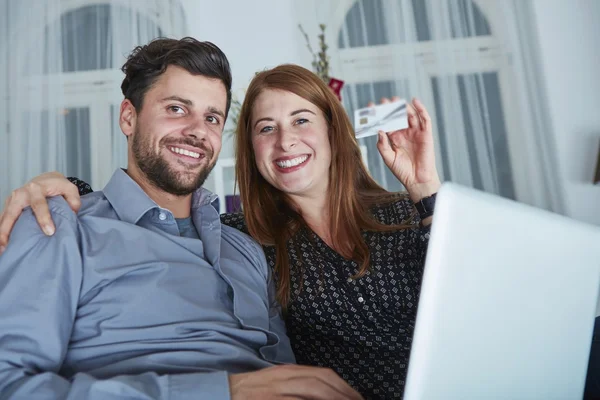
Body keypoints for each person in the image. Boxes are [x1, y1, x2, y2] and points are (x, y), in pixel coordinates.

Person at [0, 64, 440, 399]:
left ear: (333, 130)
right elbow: (142, 213)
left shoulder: (238, 245)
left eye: (302, 120)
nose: (285, 141)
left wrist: (427, 194)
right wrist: (57, 194)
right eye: (266, 128)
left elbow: (477, 303)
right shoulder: (253, 235)